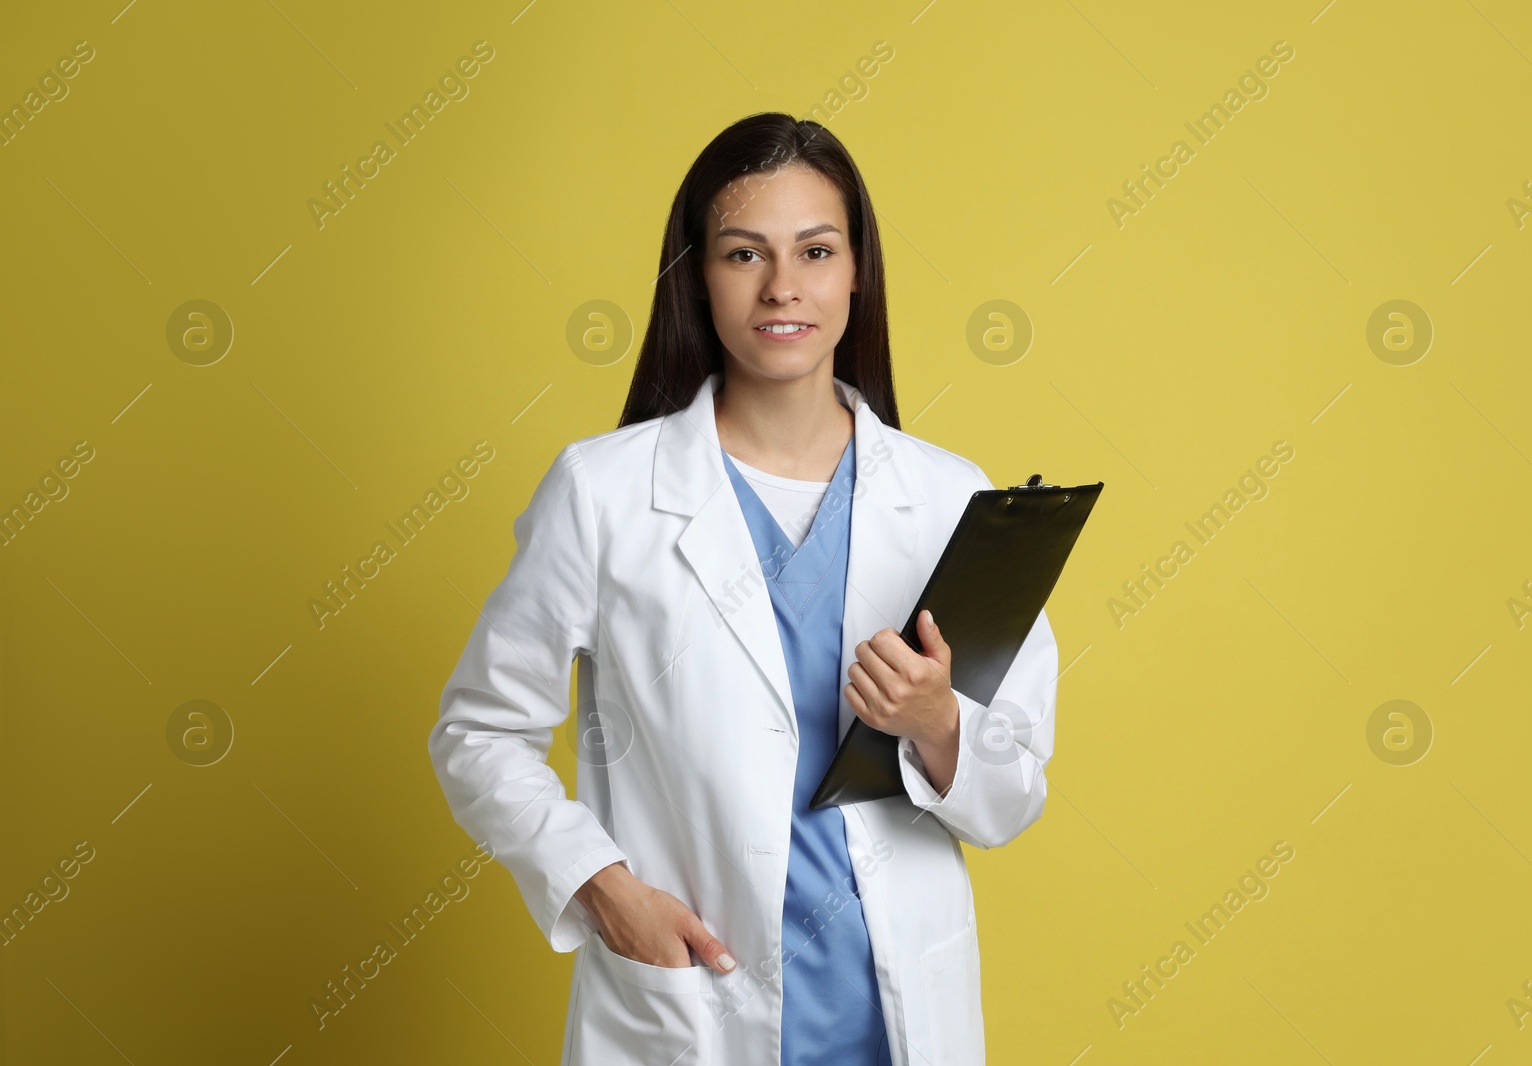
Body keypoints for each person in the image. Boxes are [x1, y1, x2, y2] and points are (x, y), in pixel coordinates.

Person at [428, 112, 1059, 1066]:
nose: (783, 287)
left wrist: (939, 725)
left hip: (895, 1017)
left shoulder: (947, 497)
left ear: (857, 273)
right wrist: (602, 886)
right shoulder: (604, 493)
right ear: (698, 275)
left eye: (815, 250)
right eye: (742, 253)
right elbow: (478, 732)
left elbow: (1012, 794)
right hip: (695, 1003)